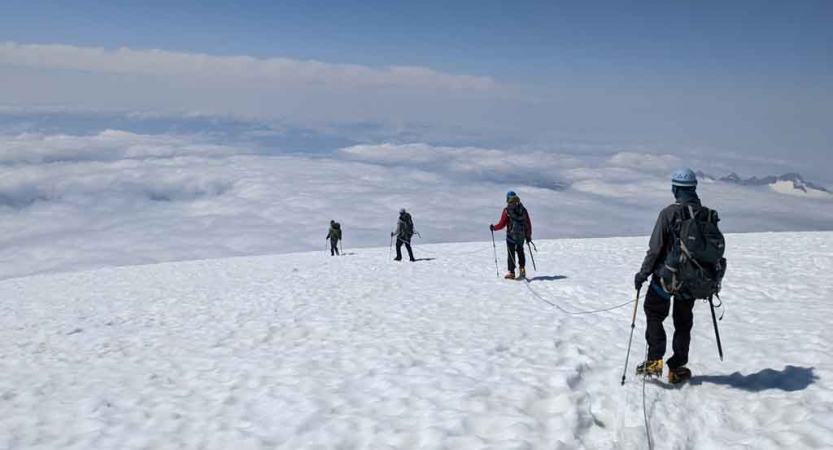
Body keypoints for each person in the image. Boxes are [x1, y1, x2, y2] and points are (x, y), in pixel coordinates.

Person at [633, 168, 703, 384]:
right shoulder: (705, 214)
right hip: (691, 279)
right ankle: (678, 367)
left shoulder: (668, 213)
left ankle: (654, 360)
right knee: (683, 321)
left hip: (666, 277)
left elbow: (655, 248)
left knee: (654, 312)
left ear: (675, 189)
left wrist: (642, 274)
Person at [490, 191, 532, 280]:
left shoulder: (507, 210)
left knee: (511, 253)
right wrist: (528, 235)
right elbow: (528, 223)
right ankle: (522, 269)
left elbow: (501, 224)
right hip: (521, 236)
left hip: (511, 236)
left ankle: (512, 273)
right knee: (520, 251)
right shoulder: (523, 209)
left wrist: (494, 228)